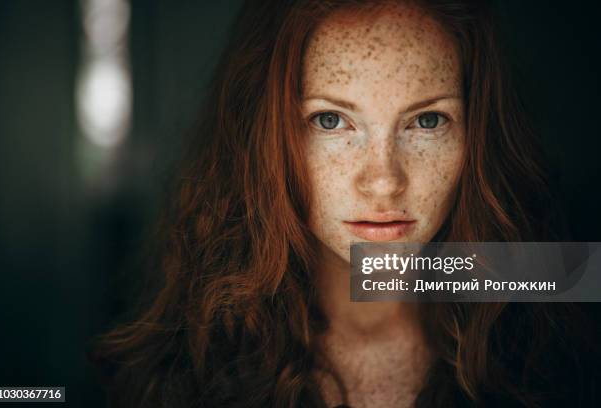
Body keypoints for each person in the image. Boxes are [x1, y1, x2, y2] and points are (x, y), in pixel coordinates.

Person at [90, 1, 598, 407]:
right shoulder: (188, 363)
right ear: (265, 139)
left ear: (478, 137)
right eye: (331, 121)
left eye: (426, 121)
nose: (383, 181)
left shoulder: (553, 328)